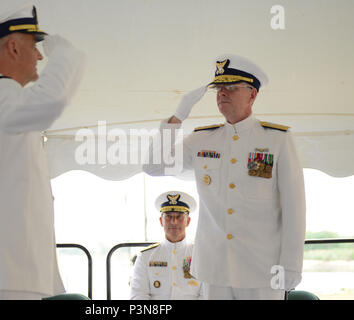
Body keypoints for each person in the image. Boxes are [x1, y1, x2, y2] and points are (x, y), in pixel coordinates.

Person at [0, 4, 86, 300]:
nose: (39, 55)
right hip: (1, 264)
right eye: (34, 46)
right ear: (13, 47)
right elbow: (50, 102)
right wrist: (65, 53)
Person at [143, 54, 306, 300]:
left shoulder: (277, 139)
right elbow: (153, 166)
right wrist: (177, 118)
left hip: (262, 270)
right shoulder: (202, 139)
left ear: (252, 94)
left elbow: (295, 208)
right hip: (214, 269)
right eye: (219, 88)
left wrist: (291, 265)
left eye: (231, 87)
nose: (222, 93)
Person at [130, 191, 206, 300]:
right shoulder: (145, 257)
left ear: (188, 221)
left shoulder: (201, 255)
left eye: (179, 217)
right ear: (161, 221)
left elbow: (206, 295)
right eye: (168, 216)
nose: (174, 222)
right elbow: (138, 295)